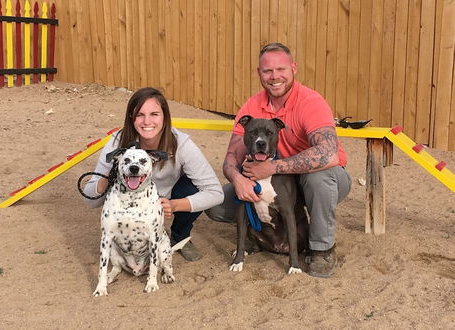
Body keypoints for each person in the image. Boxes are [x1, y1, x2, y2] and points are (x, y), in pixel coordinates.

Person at [206, 43, 351, 278]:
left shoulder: (310, 102)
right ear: (259, 73)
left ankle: (322, 249)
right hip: (276, 183)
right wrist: (237, 179)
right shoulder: (252, 106)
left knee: (318, 177)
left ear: (294, 68)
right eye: (268, 71)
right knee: (217, 205)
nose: (275, 77)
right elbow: (232, 156)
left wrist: (274, 166)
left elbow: (329, 153)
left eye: (281, 69)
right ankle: (261, 236)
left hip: (321, 180)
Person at [84, 87, 224, 262]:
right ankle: (128, 239)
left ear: (165, 117)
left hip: (164, 199)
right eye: (139, 115)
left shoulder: (181, 143)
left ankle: (179, 235)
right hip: (129, 205)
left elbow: (216, 193)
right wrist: (109, 175)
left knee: (192, 186)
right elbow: (90, 200)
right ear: (130, 118)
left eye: (154, 114)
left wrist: (174, 205)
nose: (146, 121)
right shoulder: (118, 142)